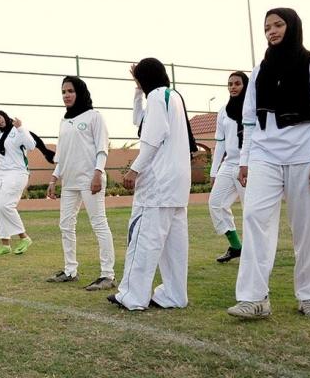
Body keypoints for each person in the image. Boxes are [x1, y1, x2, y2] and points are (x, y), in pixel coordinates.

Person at [227, 8, 310, 319]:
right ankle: (254, 299)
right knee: (254, 219)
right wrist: (245, 160)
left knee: (309, 228)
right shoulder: (259, 71)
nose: (272, 31)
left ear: (293, 27)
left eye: (278, 25)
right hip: (264, 156)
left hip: (306, 156)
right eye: (267, 27)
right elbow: (249, 119)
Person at [108, 58, 194, 310]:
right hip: (177, 184)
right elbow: (140, 121)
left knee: (143, 239)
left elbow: (152, 138)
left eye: (139, 77)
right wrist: (137, 91)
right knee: (174, 246)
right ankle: (175, 295)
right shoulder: (172, 96)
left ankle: (132, 296)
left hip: (157, 183)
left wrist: (134, 170)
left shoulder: (157, 97)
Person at [45, 76, 116, 290]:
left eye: (70, 91)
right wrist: (53, 179)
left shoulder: (94, 116)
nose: (66, 95)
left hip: (90, 180)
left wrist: (97, 174)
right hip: (69, 182)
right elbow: (61, 155)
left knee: (99, 224)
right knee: (65, 225)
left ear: (80, 92)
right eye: (63, 92)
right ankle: (70, 271)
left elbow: (102, 148)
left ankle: (108, 275)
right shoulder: (64, 121)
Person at [0, 110, 54, 255]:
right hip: (1, 174)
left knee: (6, 205)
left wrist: (20, 128)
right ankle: (5, 244)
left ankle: (24, 238)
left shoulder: (17, 131)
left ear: (4, 116)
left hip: (17, 173)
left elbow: (31, 146)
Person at [209, 72, 248, 263]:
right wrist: (214, 171)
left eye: (237, 83)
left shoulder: (252, 108)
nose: (233, 87)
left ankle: (255, 252)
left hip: (248, 166)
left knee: (251, 211)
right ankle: (236, 246)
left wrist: (247, 163)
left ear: (245, 85)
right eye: (230, 84)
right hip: (228, 164)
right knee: (215, 204)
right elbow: (220, 143)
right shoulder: (223, 111)